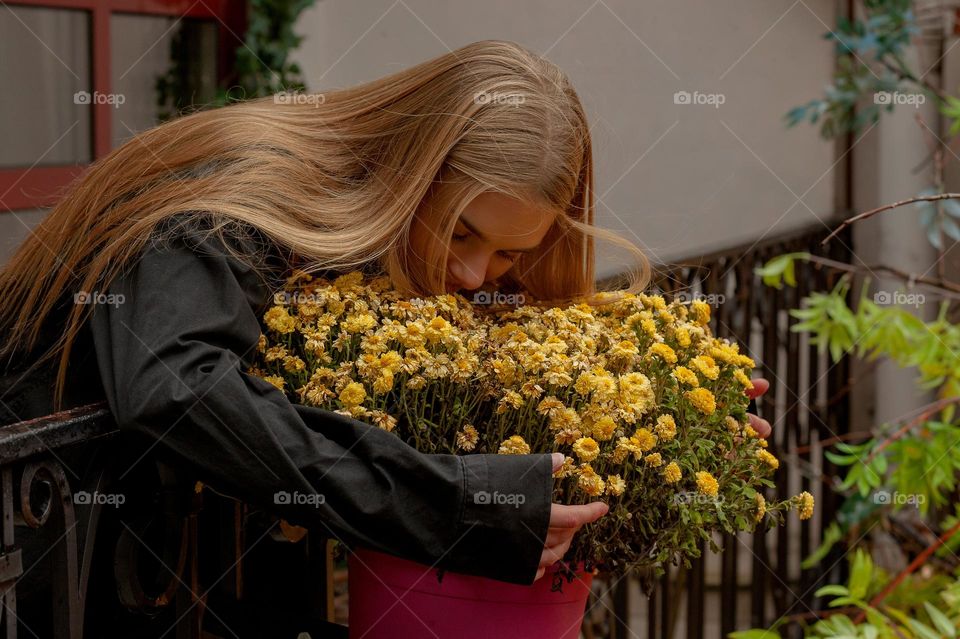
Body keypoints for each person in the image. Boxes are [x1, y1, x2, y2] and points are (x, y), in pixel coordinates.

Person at [0, 40, 771, 636]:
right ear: (413, 166)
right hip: (40, 562)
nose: (474, 274)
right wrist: (450, 506)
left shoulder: (366, 225)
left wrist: (681, 430)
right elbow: (175, 386)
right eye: (462, 231)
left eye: (509, 254)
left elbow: (498, 363)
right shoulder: (241, 192)